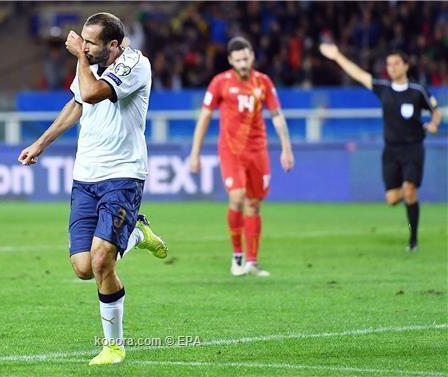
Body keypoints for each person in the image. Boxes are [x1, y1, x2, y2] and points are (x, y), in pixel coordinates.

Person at [18, 12, 167, 365]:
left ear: (113, 45)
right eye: (82, 40)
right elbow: (77, 103)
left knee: (102, 259)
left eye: (91, 43)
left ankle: (113, 346)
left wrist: (80, 58)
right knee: (84, 267)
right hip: (85, 177)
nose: (83, 46)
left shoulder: (135, 65)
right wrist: (41, 143)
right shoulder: (90, 62)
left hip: (123, 175)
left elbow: (93, 92)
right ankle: (136, 234)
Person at [319, 43, 442, 252]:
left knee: (410, 190)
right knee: (392, 199)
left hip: (413, 148)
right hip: (391, 150)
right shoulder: (383, 88)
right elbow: (358, 74)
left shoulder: (417, 91)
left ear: (406, 66)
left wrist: (434, 124)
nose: (392, 67)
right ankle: (406, 195)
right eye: (389, 64)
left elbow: (436, 111)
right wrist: (337, 56)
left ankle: (413, 240)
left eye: (396, 64)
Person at [189, 37, 294, 277]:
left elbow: (277, 115)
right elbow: (204, 117)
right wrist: (195, 153)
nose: (243, 63)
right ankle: (237, 256)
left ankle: (252, 262)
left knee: (254, 204)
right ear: (230, 61)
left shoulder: (264, 82)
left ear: (252, 56)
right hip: (231, 151)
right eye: (238, 60)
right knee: (237, 197)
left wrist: (287, 149)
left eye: (246, 58)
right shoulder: (220, 83)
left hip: (258, 151)